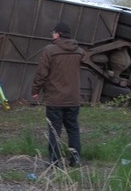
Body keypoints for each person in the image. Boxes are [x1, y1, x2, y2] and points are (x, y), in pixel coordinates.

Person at [32, 22, 86, 167]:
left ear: (58, 34)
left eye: (53, 32)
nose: (52, 35)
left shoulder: (50, 50)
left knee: (54, 130)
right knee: (73, 129)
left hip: (55, 98)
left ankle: (55, 161)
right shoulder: (79, 51)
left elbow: (42, 73)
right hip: (73, 99)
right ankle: (75, 160)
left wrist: (35, 90)